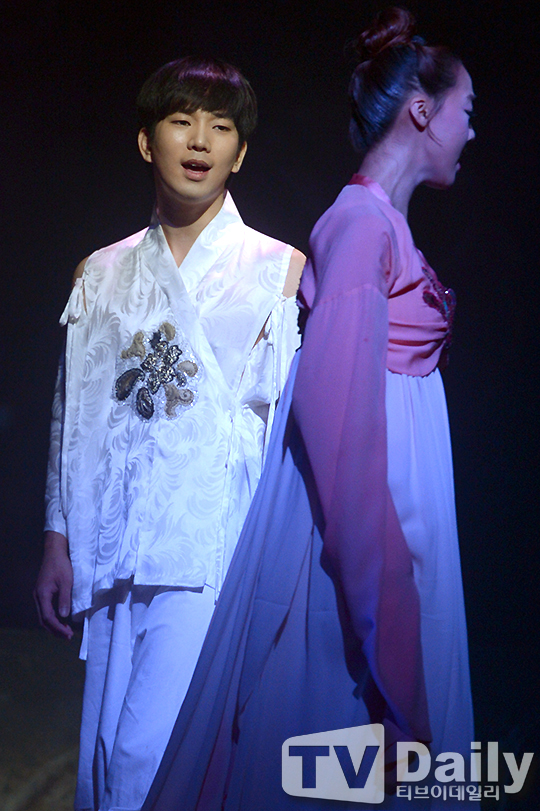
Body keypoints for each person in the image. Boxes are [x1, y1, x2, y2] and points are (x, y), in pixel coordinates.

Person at [142, 8, 475, 811]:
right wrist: (393, 629)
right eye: (466, 110)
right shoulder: (360, 227)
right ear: (422, 110)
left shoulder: (381, 227)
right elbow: (343, 436)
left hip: (402, 533)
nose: (471, 131)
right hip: (366, 549)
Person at [33, 56, 305, 811]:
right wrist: (57, 538)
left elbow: (282, 423)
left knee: (147, 754)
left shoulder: (276, 269)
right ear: (147, 140)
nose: (200, 140)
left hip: (210, 543)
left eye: (221, 127)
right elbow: (73, 414)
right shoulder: (101, 272)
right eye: (182, 121)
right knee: (104, 756)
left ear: (239, 153)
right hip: (115, 541)